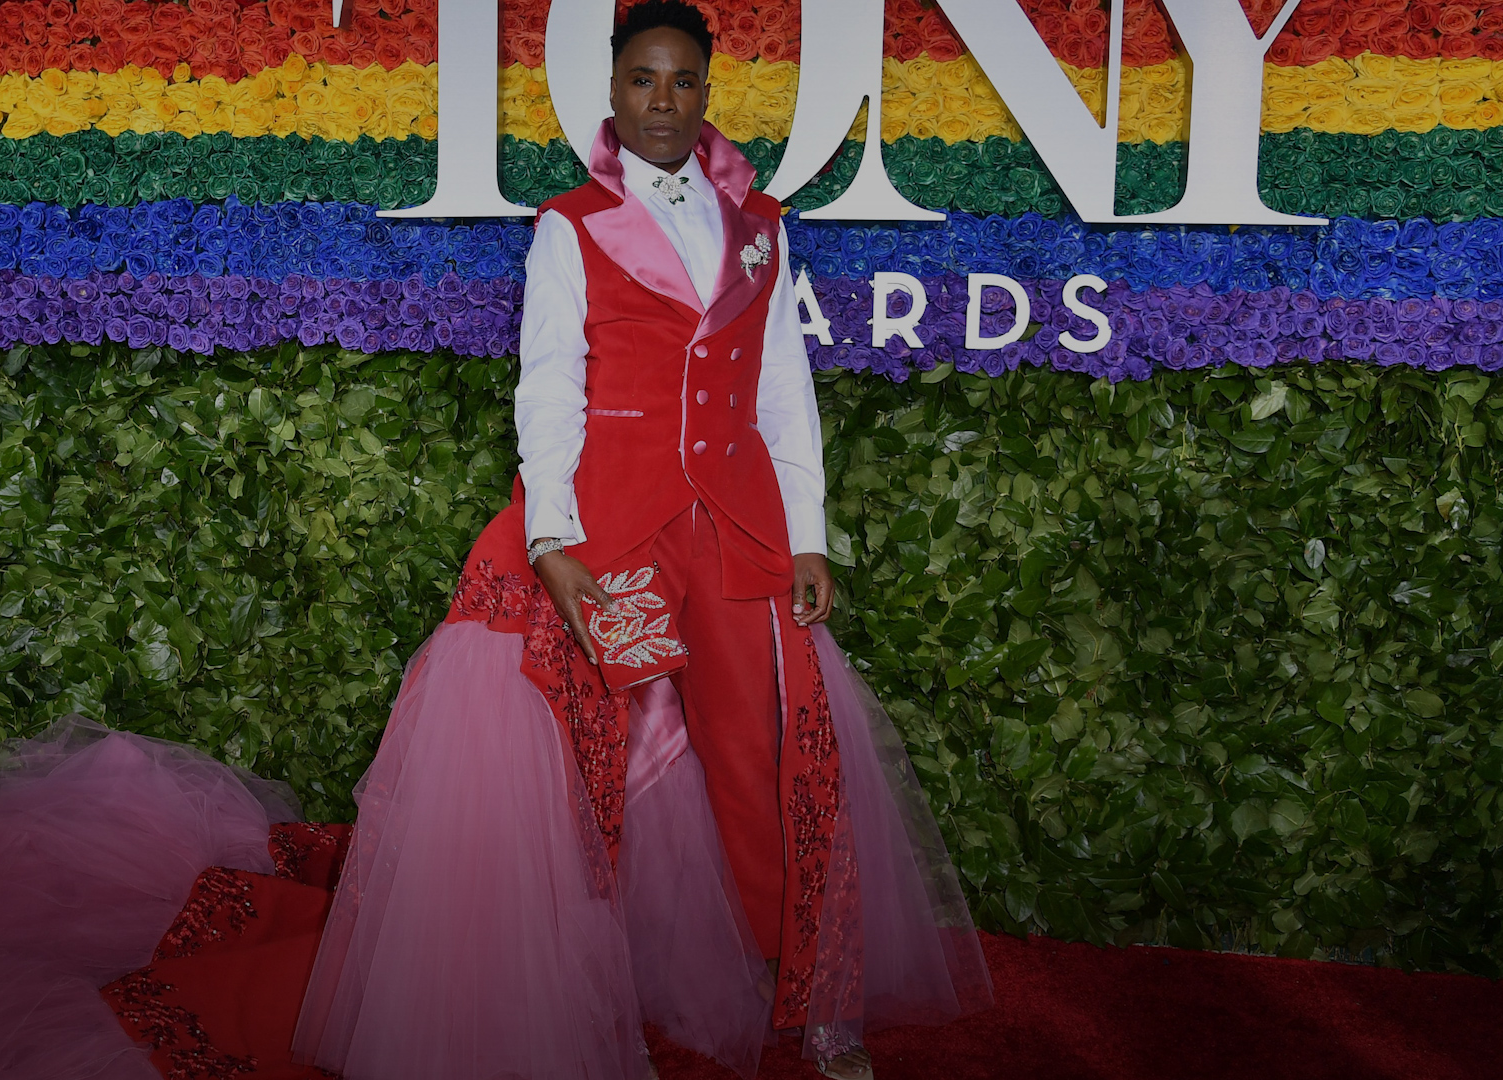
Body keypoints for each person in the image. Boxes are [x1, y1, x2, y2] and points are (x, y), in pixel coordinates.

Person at [293, 4, 992, 1078]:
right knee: (594, 768)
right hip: (613, 519)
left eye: (682, 83)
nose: (663, 102)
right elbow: (549, 385)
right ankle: (593, 1000)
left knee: (766, 749)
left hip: (738, 521)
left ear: (707, 94)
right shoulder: (570, 225)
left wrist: (808, 535)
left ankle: (794, 991)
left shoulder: (762, 222)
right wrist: (553, 539)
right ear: (612, 97)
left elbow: (781, 387)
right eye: (642, 81)